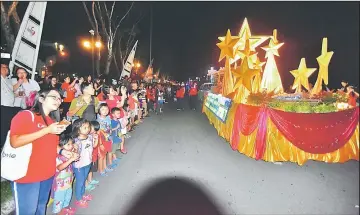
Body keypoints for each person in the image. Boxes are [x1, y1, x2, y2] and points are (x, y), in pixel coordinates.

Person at [9, 89, 74, 215]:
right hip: (27, 175)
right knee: (28, 211)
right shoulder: (27, 115)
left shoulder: (52, 122)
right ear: (41, 99)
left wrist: (61, 151)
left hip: (47, 174)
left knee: (40, 207)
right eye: (54, 97)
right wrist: (46, 130)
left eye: (60, 98)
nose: (58, 100)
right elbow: (15, 142)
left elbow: (51, 145)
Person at [51, 134, 79, 214]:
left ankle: (64, 209)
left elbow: (75, 158)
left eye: (71, 144)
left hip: (68, 182)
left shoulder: (69, 154)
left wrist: (75, 151)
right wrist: (71, 160)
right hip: (60, 185)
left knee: (67, 197)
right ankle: (60, 213)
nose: (71, 146)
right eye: (68, 144)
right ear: (61, 146)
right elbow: (59, 167)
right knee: (59, 200)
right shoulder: (58, 156)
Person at [71, 118, 93, 208]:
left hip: (88, 163)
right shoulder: (76, 141)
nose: (87, 129)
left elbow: (91, 148)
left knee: (84, 180)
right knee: (80, 182)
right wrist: (75, 148)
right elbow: (74, 153)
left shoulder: (90, 137)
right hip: (79, 165)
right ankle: (79, 199)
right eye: (85, 127)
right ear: (78, 129)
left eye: (88, 127)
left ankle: (83, 194)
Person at [1, 58, 20, 149]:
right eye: (4, 67)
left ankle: (5, 143)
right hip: (2, 107)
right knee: (3, 126)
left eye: (7, 68)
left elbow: (12, 89)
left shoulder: (8, 80)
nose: (6, 69)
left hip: (10, 107)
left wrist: (20, 81)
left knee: (8, 126)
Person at [97, 103, 114, 176]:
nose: (105, 111)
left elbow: (109, 128)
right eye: (103, 109)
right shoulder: (97, 120)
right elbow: (98, 133)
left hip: (108, 138)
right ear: (99, 110)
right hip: (102, 140)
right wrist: (100, 144)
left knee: (105, 154)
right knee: (101, 156)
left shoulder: (108, 118)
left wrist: (111, 137)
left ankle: (105, 167)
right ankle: (101, 170)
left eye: (106, 109)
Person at [85, 120, 100, 192]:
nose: (93, 132)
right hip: (85, 158)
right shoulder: (85, 137)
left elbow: (94, 146)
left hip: (91, 156)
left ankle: (90, 180)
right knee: (86, 171)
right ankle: (86, 184)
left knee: (90, 170)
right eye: (92, 129)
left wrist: (96, 139)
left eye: (95, 130)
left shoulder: (92, 136)